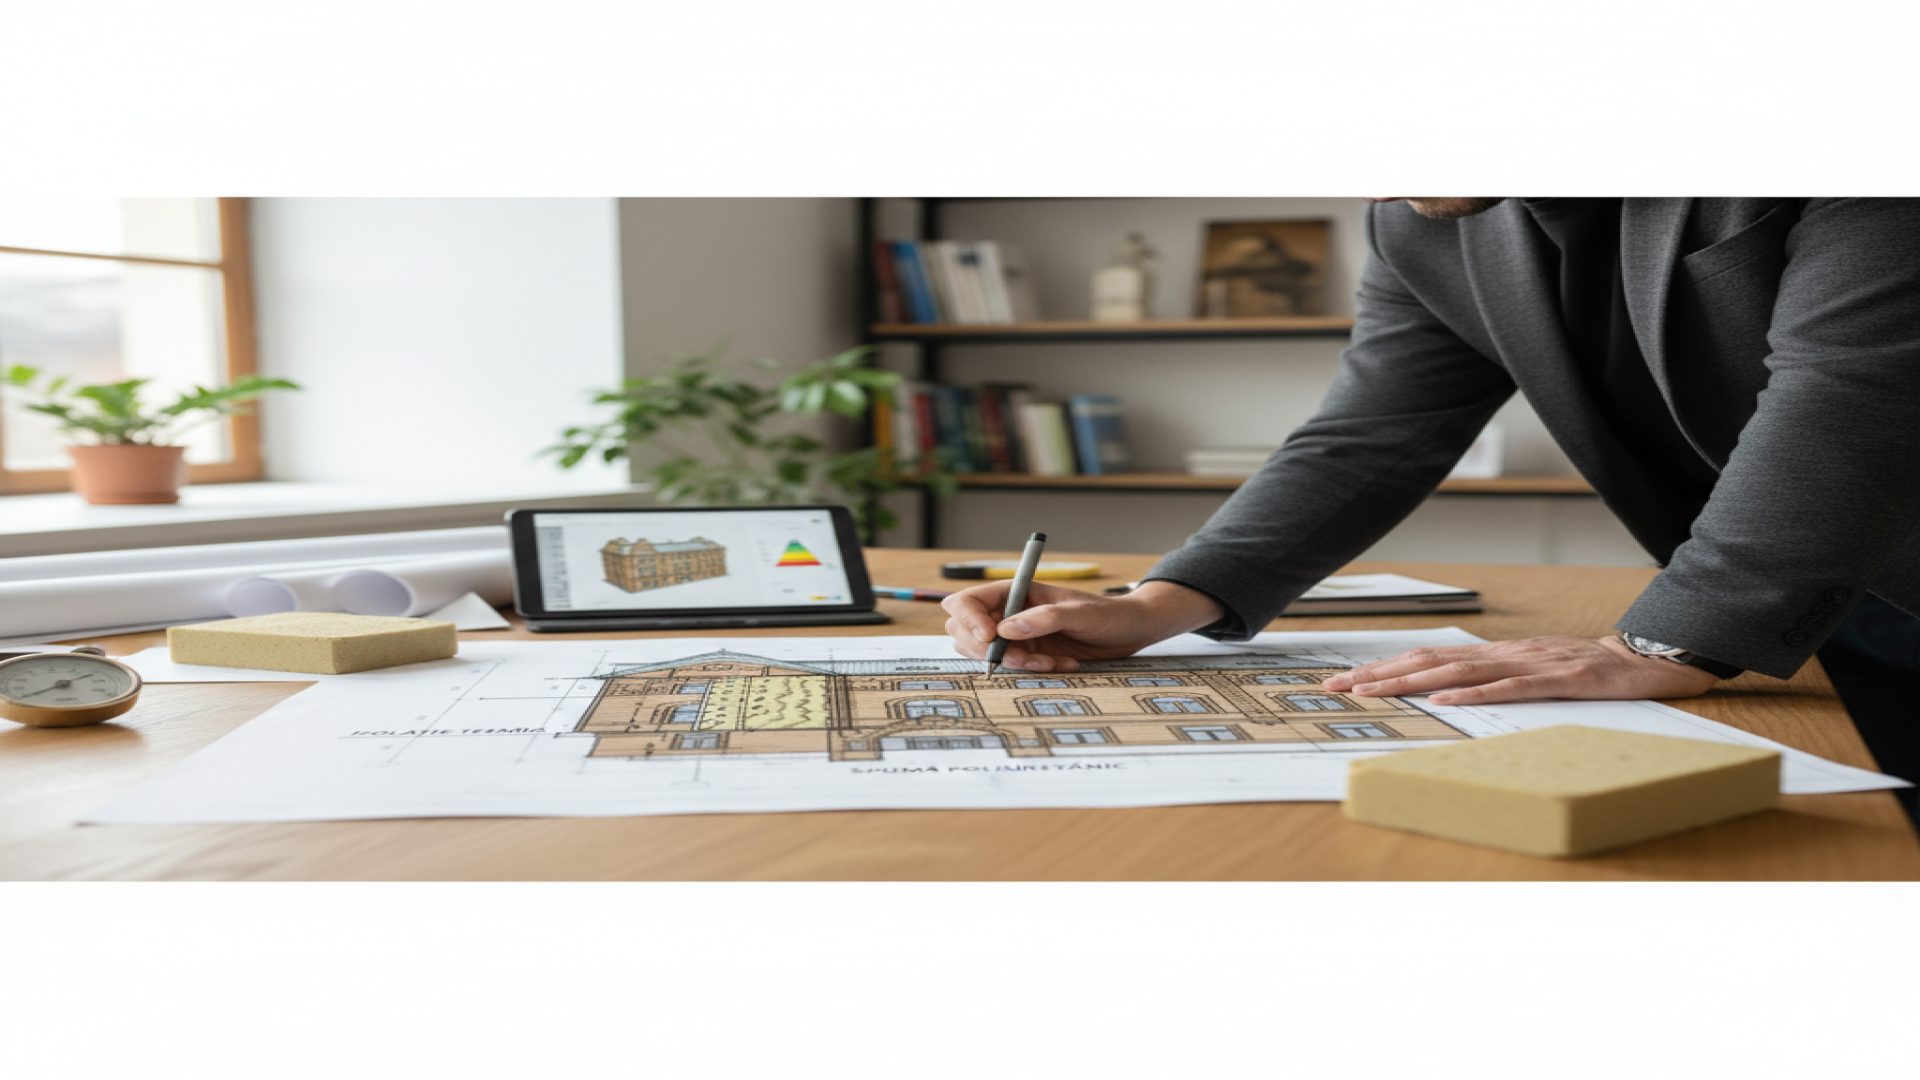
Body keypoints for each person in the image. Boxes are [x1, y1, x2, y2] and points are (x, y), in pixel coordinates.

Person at [941, 197, 1920, 807]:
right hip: (1811, 612)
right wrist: (1162, 601)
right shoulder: (1421, 216)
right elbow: (1373, 430)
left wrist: (1663, 643)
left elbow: (1858, 396)